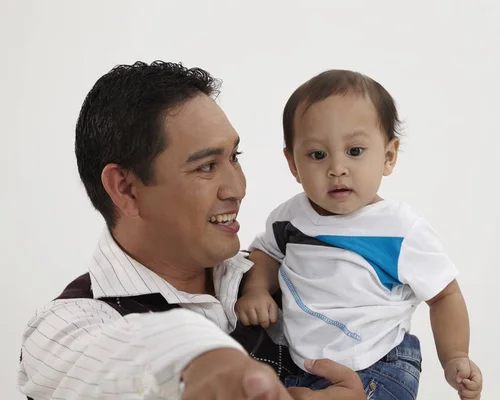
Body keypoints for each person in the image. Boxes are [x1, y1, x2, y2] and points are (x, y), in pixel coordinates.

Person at [16, 61, 367, 400]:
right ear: (126, 188)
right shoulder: (63, 328)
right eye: (207, 166)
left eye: (235, 157)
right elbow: (113, 358)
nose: (237, 188)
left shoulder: (289, 272)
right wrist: (208, 359)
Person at [235, 70, 484, 399]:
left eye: (354, 151)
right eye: (317, 155)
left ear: (388, 156)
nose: (337, 168)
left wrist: (454, 356)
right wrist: (256, 291)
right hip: (304, 364)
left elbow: (444, 295)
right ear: (293, 164)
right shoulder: (290, 218)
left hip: (381, 362)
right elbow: (264, 253)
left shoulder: (399, 230)